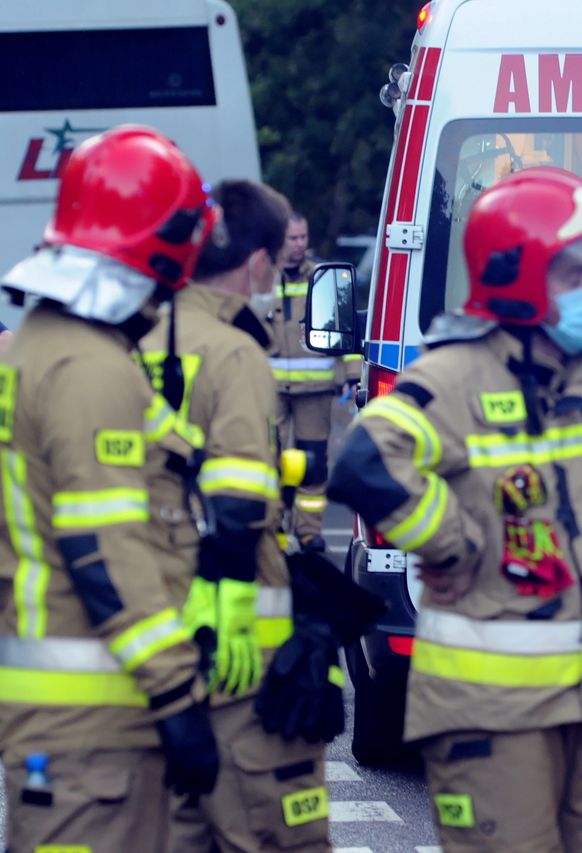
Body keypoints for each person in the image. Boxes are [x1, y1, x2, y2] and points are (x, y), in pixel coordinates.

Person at [327, 167, 582, 852]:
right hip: (492, 717)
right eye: (580, 273)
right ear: (522, 278)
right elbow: (365, 461)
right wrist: (453, 542)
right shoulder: (454, 376)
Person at [0, 125, 219, 849]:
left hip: (68, 725)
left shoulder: (41, 345)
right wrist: (177, 691)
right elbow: (105, 548)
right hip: (93, 730)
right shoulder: (88, 367)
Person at [139, 179, 354, 852]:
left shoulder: (138, 336)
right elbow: (237, 502)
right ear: (259, 261)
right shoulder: (234, 351)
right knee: (274, 831)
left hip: (151, 629)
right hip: (239, 652)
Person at [269, 213, 360, 552]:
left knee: (313, 461)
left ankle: (308, 531)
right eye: (292, 238)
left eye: (303, 237)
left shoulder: (323, 277)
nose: (298, 245)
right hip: (270, 389)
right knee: (269, 458)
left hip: (315, 391)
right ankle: (274, 525)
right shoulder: (262, 278)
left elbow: (347, 329)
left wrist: (352, 375)